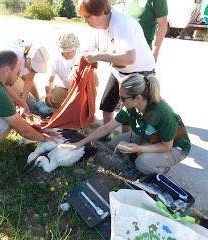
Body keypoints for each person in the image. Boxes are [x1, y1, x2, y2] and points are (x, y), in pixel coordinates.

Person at [62, 74, 191, 176]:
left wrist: (139, 149)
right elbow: (107, 127)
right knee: (115, 144)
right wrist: (80, 143)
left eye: (123, 98)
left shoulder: (163, 114)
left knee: (142, 164)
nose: (120, 101)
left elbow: (166, 146)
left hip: (175, 147)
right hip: (150, 138)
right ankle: (143, 155)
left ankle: (164, 172)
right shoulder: (131, 107)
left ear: (138, 98)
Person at [76, 0, 155, 140]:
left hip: (139, 73)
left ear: (101, 12)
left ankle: (127, 142)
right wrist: (77, 66)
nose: (85, 21)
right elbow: (86, 50)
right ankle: (106, 136)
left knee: (130, 112)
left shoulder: (121, 23)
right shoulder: (99, 27)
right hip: (119, 72)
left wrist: (99, 56)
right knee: (106, 105)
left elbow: (129, 58)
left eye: (87, 17)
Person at [0, 32, 51, 114]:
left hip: (6, 40)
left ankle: (38, 101)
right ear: (28, 60)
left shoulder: (36, 52)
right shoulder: (8, 59)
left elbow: (29, 80)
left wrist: (23, 100)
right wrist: (19, 102)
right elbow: (5, 83)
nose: (34, 72)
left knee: (26, 74)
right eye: (34, 68)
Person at [45, 32, 81, 109]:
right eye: (63, 52)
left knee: (77, 108)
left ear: (75, 49)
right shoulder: (57, 59)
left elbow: (95, 82)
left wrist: (75, 90)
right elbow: (50, 80)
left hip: (80, 90)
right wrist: (49, 93)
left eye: (68, 52)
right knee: (49, 100)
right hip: (65, 89)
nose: (65, 55)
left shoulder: (82, 56)